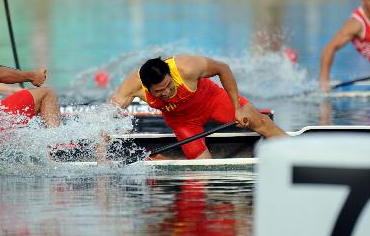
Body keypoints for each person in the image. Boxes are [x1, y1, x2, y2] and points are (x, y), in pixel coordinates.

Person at [110, 55, 286, 160]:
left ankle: (299, 151)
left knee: (262, 123)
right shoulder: (132, 86)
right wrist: (102, 152)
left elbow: (223, 68)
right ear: (146, 88)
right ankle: (166, 162)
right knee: (203, 169)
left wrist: (237, 108)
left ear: (171, 75)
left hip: (212, 100)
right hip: (182, 121)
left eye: (168, 85)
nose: (166, 93)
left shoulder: (187, 67)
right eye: (159, 91)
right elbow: (107, 116)